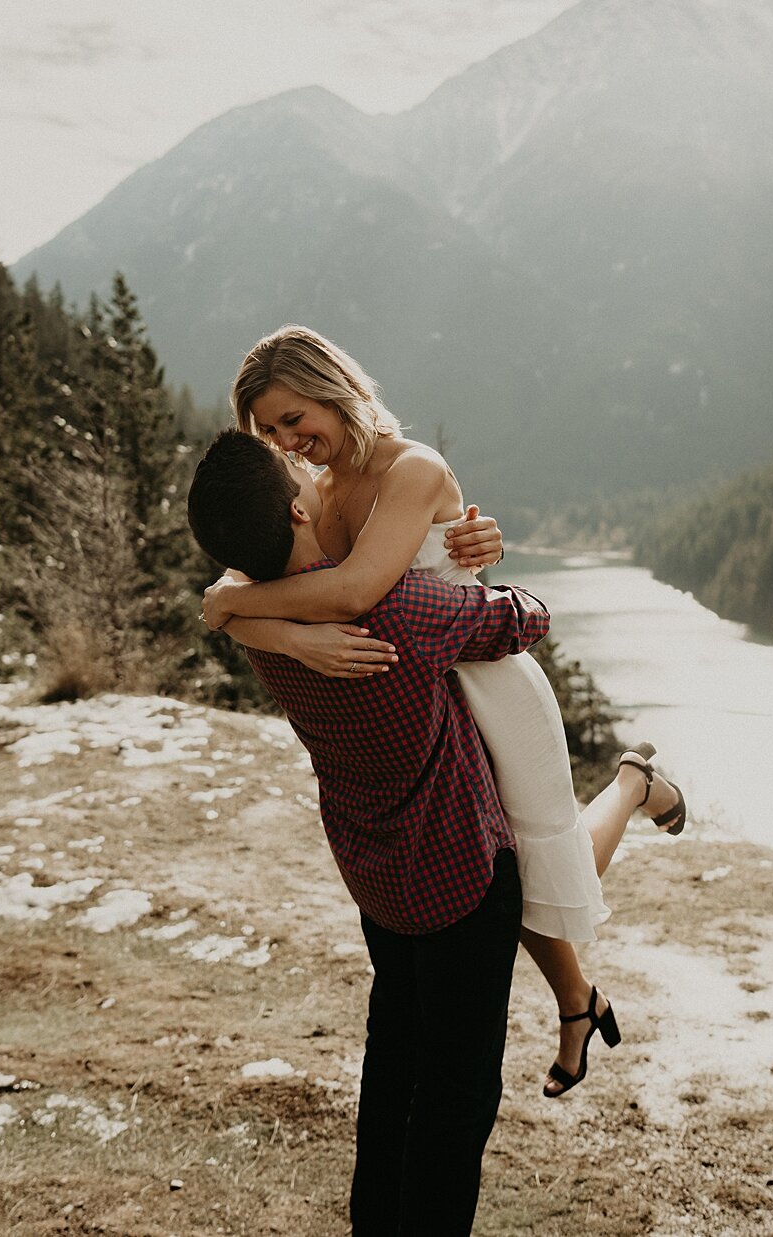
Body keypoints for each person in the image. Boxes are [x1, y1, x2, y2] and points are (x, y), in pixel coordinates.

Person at [202, 325, 687, 1097]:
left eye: (295, 419)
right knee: (506, 889)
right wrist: (279, 632)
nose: (288, 441)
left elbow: (359, 592)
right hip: (419, 699)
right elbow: (271, 585)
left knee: (539, 873)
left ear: (333, 388)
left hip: (484, 681)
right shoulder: (309, 492)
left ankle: (632, 783)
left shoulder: (414, 470)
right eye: (267, 431)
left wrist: (237, 605)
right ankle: (577, 1002)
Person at [188, 428, 553, 1236]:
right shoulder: (403, 611)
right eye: (297, 466)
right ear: (294, 505)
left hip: (379, 878)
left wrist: (247, 607)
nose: (313, 466)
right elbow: (524, 620)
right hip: (462, 877)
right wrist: (478, 566)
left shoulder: (263, 631)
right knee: (455, 1104)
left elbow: (234, 591)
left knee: (392, 1074)